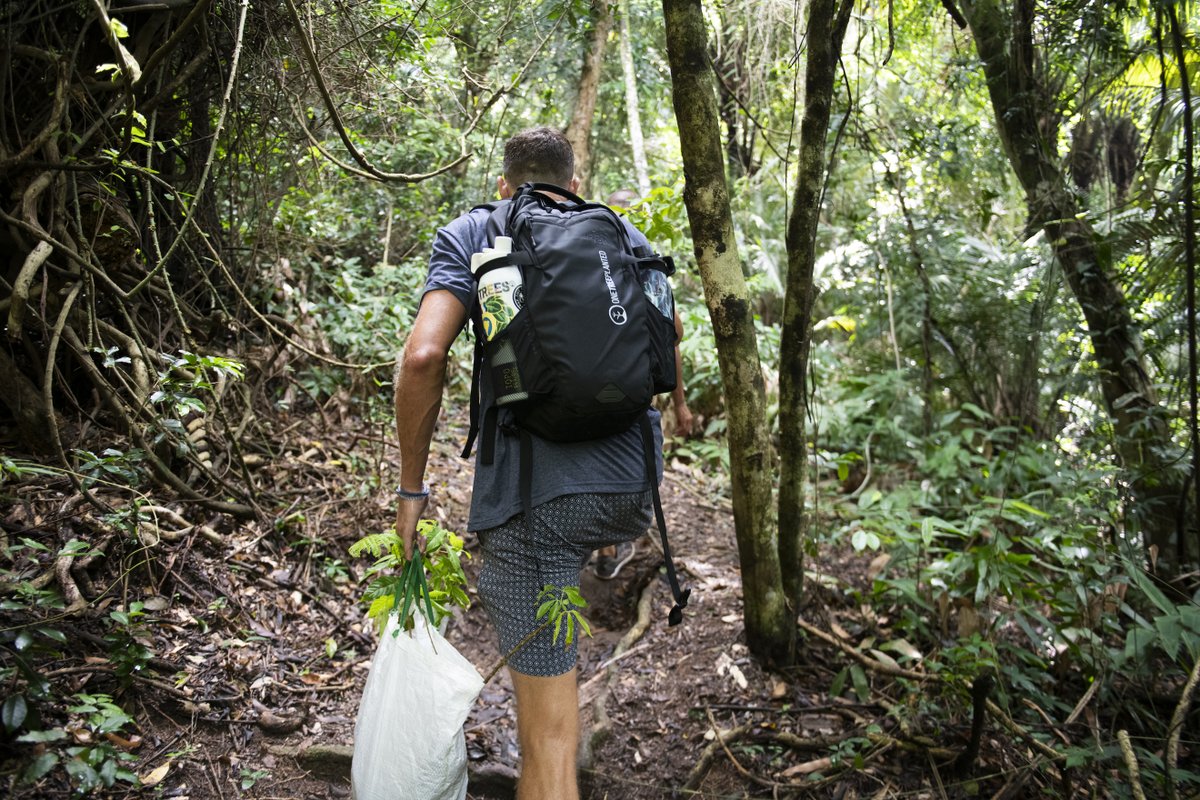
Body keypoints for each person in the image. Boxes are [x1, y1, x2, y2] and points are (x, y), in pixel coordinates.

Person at [392, 127, 666, 800]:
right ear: (576, 184)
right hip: (631, 483)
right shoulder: (617, 233)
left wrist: (411, 491)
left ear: (504, 185)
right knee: (556, 692)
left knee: (544, 738)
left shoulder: (476, 231)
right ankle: (606, 549)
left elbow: (424, 357)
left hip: (534, 501)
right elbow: (666, 341)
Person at [590, 189, 697, 581]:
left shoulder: (587, 265)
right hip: (635, 399)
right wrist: (680, 402)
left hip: (594, 392)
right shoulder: (644, 264)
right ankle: (611, 546)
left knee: (600, 464)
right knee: (631, 473)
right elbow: (673, 334)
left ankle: (603, 549)